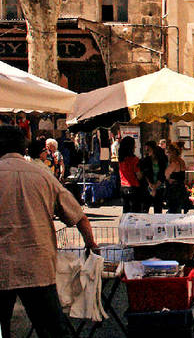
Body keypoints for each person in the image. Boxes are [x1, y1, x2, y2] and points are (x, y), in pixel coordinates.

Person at [0, 125, 99, 338]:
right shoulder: (42, 176)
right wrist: (91, 244)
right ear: (24, 148)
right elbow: (79, 216)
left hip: (2, 265)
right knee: (52, 328)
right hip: (37, 264)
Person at [139, 140, 168, 213]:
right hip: (149, 187)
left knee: (158, 209)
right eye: (146, 150)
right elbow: (145, 174)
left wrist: (156, 187)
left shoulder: (162, 160)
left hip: (159, 186)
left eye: (149, 150)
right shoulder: (146, 160)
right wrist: (151, 186)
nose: (147, 152)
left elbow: (163, 174)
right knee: (145, 209)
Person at [118, 136, 141, 214]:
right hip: (134, 187)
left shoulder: (121, 159)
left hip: (123, 186)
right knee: (135, 212)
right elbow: (139, 175)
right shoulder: (135, 160)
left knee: (126, 210)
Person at [165, 143, 189, 213]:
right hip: (181, 188)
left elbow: (165, 175)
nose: (167, 154)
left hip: (174, 190)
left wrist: (169, 179)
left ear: (172, 152)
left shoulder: (174, 163)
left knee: (173, 210)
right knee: (178, 209)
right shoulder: (182, 161)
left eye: (168, 152)